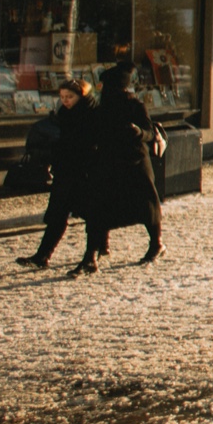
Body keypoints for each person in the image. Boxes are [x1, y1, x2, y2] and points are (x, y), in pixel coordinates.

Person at [79, 63, 164, 273]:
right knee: (98, 206)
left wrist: (138, 132)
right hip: (109, 161)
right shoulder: (102, 108)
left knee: (147, 206)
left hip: (135, 161)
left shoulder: (135, 105)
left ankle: (156, 243)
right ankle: (91, 254)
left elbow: (150, 132)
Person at [15, 80, 98, 270]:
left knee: (92, 216)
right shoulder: (64, 113)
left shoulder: (92, 113)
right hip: (65, 172)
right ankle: (42, 256)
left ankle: (91, 256)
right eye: (62, 97)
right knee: (57, 215)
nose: (66, 101)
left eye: (70, 97)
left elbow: (90, 143)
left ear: (81, 95)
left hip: (84, 173)